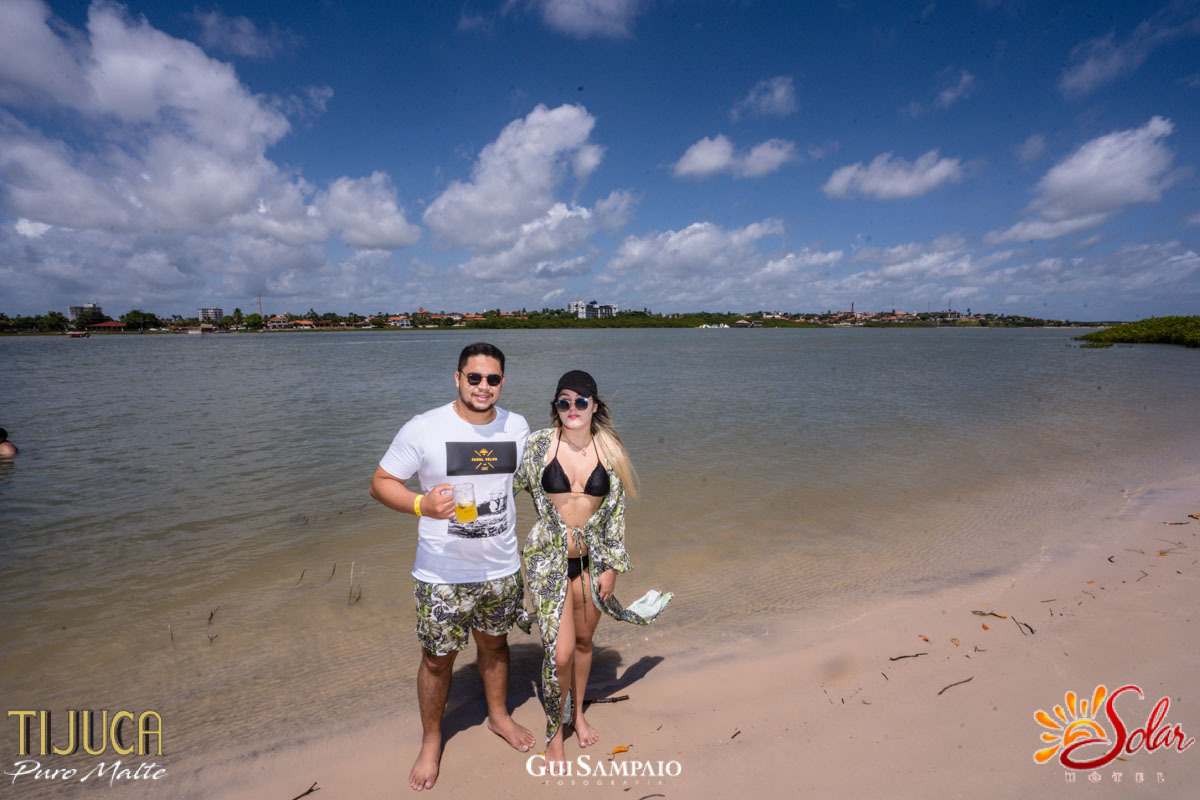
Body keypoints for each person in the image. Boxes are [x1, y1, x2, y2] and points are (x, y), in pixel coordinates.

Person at [369, 342, 535, 791]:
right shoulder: (424, 428)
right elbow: (381, 482)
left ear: (503, 382)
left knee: (495, 647)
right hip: (442, 574)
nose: (483, 387)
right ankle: (431, 740)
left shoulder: (517, 426)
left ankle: (498, 716)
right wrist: (420, 504)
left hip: (501, 568)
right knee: (437, 661)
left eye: (493, 379)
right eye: (474, 377)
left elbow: (546, 475)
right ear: (457, 378)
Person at [515, 370, 671, 768]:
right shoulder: (538, 445)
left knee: (584, 644)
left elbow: (616, 514)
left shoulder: (610, 451)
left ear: (594, 405)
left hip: (592, 560)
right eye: (563, 402)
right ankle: (555, 734)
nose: (572, 408)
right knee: (560, 653)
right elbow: (505, 488)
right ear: (555, 407)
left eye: (580, 401)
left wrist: (612, 567)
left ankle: (578, 714)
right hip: (547, 559)